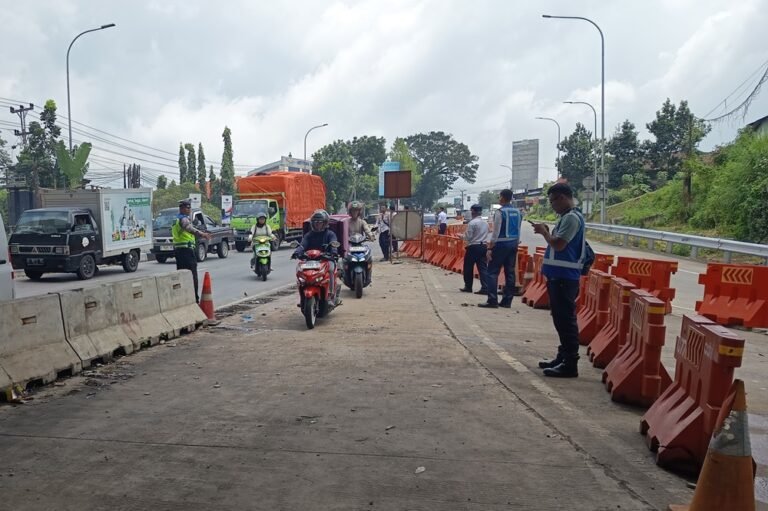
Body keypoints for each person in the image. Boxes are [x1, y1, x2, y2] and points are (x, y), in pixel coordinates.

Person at [531, 182, 587, 378]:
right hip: (559, 276)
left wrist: (544, 233)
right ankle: (562, 357)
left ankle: (570, 363)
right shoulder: (567, 217)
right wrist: (548, 231)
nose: (553, 205)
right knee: (560, 319)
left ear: (563, 198)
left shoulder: (571, 218)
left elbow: (559, 245)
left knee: (565, 321)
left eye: (553, 201)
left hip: (564, 276)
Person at [479, 189, 521, 309]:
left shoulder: (500, 212)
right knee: (510, 273)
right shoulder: (518, 212)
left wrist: (490, 247)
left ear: (502, 197)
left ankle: (492, 300)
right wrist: (516, 242)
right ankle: (507, 301)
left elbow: (496, 232)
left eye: (499, 197)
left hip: (501, 244)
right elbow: (518, 229)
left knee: (492, 272)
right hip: (513, 244)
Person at [292, 209, 340, 300]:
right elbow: (302, 245)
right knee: (300, 271)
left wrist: (333, 252)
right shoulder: (309, 235)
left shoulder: (330, 234)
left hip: (325, 259)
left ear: (325, 223)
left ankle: (331, 293)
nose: (317, 224)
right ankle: (302, 294)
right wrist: (297, 252)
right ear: (312, 223)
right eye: (315, 222)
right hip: (310, 260)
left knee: (331, 269)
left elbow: (334, 244)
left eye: (320, 222)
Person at [172, 199, 212, 303]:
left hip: (179, 251)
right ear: (181, 208)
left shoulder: (176, 219)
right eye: (187, 208)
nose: (189, 210)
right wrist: (202, 234)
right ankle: (195, 299)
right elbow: (190, 229)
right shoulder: (183, 219)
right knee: (192, 275)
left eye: (190, 208)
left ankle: (184, 298)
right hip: (186, 251)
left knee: (182, 275)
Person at [460, 204, 490, 295]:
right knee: (483, 268)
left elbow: (468, 237)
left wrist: (461, 236)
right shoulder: (485, 223)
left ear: (472, 211)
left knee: (468, 267)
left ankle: (468, 286)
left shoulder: (472, 223)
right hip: (483, 246)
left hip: (473, 247)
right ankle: (485, 287)